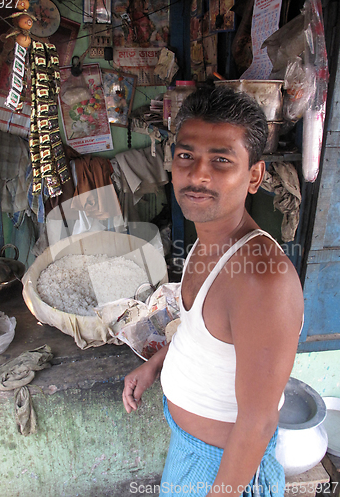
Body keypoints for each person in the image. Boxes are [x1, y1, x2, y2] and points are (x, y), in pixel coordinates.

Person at [122, 85, 304, 496]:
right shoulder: (207, 241)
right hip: (190, 450)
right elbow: (201, 330)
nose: (198, 174)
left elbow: (257, 423)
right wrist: (156, 364)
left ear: (254, 175)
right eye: (186, 156)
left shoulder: (262, 279)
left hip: (225, 469)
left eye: (221, 160)